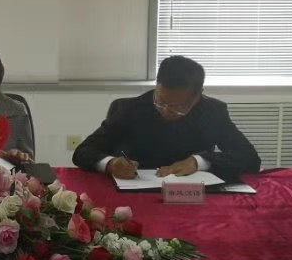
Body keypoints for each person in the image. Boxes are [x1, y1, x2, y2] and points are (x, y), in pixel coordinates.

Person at [73, 55, 260, 181]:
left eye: (178, 106)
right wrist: (110, 164)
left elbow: (250, 158)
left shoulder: (213, 112)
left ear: (198, 95)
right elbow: (83, 152)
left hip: (192, 198)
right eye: (161, 101)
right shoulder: (129, 109)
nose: (167, 111)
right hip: (137, 194)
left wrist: (199, 161)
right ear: (157, 85)